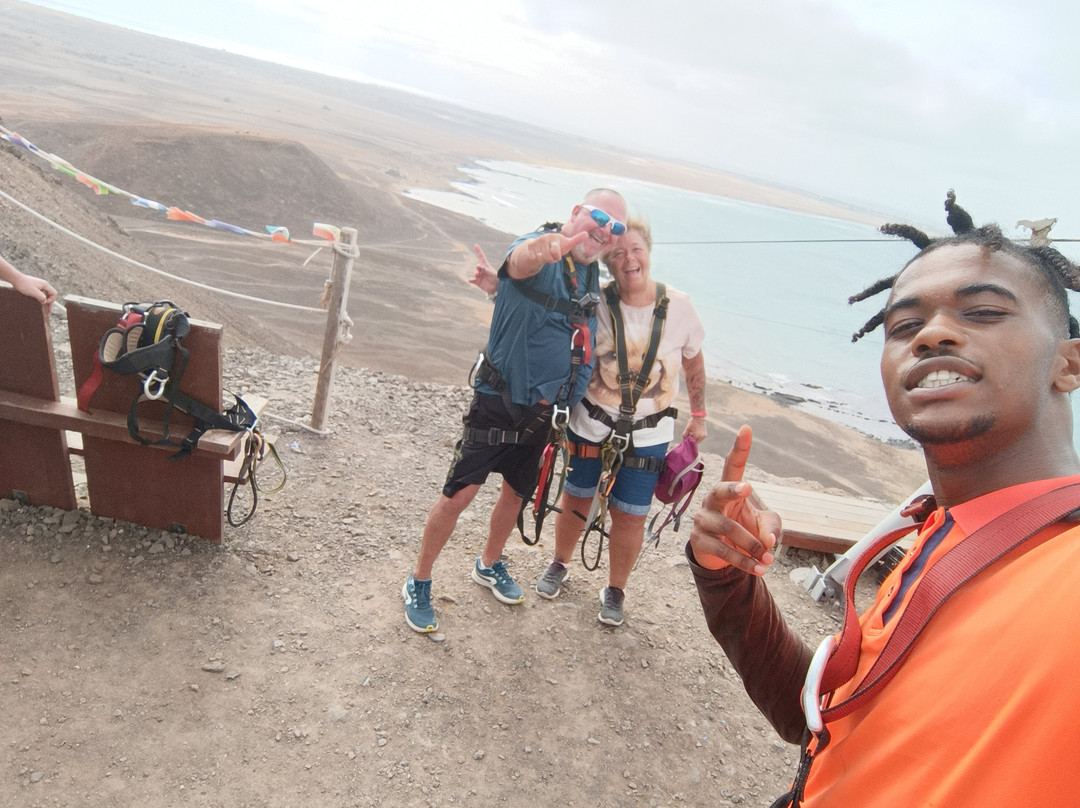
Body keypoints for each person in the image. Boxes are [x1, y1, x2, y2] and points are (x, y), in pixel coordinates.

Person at [686, 217, 1080, 806]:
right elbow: (826, 720)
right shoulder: (938, 534)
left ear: (1069, 363)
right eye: (905, 326)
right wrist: (728, 579)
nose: (932, 335)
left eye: (983, 312)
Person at [403, 189, 628, 634]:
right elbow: (522, 261)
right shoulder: (540, 249)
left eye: (614, 230)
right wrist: (544, 250)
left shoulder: (586, 275)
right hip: (497, 401)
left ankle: (488, 564)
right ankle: (419, 580)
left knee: (515, 493)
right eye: (597, 220)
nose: (603, 232)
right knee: (460, 495)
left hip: (544, 416)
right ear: (575, 212)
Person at [534, 218, 707, 626]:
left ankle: (615, 590)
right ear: (608, 262)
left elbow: (694, 362)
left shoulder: (679, 307)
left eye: (636, 250)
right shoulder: (595, 303)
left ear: (648, 251)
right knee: (576, 495)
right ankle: (559, 563)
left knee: (630, 513)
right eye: (618, 253)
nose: (629, 260)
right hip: (591, 422)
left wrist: (699, 415)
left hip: (648, 434)